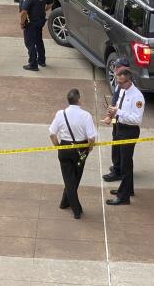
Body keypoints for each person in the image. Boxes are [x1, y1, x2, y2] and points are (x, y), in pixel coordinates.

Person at [48, 89, 96, 220]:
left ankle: (64, 203)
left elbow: (52, 133)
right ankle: (77, 209)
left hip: (64, 148)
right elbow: (91, 138)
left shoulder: (60, 114)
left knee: (69, 178)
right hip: (81, 151)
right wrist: (89, 149)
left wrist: (59, 147)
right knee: (75, 177)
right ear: (79, 100)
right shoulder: (86, 115)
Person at [104, 70, 145, 206]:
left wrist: (119, 112)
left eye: (121, 82)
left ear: (129, 81)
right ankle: (128, 189)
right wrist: (112, 113)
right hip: (120, 127)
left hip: (129, 131)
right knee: (122, 160)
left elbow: (137, 119)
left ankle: (123, 197)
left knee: (126, 164)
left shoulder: (137, 97)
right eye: (118, 81)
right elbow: (119, 106)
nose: (118, 85)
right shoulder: (123, 90)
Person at [102, 58, 130, 182]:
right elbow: (115, 98)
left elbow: (122, 104)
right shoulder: (120, 81)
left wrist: (111, 115)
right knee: (115, 143)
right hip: (116, 120)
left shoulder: (126, 84)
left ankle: (118, 171)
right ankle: (117, 167)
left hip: (123, 122)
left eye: (117, 67)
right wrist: (110, 115)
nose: (114, 70)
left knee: (119, 146)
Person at [20, 0, 52, 70]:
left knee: (30, 43)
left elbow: (23, 12)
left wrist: (22, 23)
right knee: (39, 40)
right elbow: (50, 3)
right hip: (40, 21)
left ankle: (33, 64)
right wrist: (44, 10)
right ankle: (41, 60)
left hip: (31, 23)